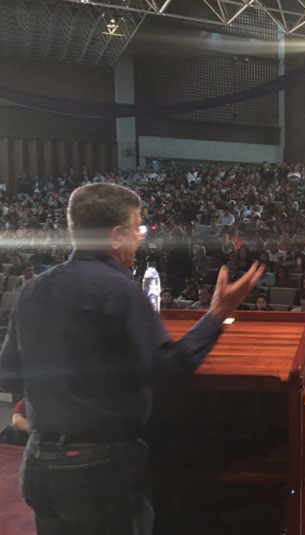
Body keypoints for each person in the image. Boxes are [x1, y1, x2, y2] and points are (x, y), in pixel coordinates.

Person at [0, 182, 265, 535]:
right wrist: (217, 315)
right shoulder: (119, 289)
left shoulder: (34, 289)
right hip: (102, 472)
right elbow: (169, 371)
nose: (141, 238)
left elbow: (10, 373)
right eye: (138, 228)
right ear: (115, 236)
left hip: (41, 464)